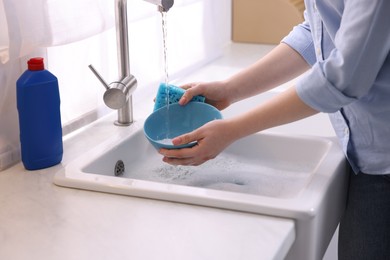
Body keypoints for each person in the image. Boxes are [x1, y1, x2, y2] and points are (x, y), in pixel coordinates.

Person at [159, 0, 390, 259]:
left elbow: (343, 77)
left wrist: (232, 130)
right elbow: (318, 33)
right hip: (368, 157)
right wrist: (228, 90)